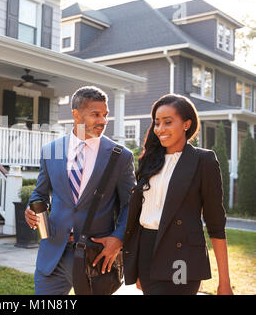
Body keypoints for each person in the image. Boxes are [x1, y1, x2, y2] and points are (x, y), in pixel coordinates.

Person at [25, 86, 136, 295]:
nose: (103, 120)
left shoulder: (120, 156)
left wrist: (119, 238)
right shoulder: (52, 150)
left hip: (96, 257)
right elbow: (40, 193)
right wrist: (32, 209)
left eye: (105, 115)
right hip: (53, 254)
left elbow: (130, 205)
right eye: (95, 114)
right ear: (76, 115)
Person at [123, 94, 233, 295]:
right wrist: (137, 264)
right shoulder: (150, 160)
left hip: (180, 256)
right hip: (146, 250)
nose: (160, 129)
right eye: (157, 123)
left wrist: (224, 282)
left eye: (168, 122)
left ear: (186, 124)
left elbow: (216, 224)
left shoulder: (203, 161)